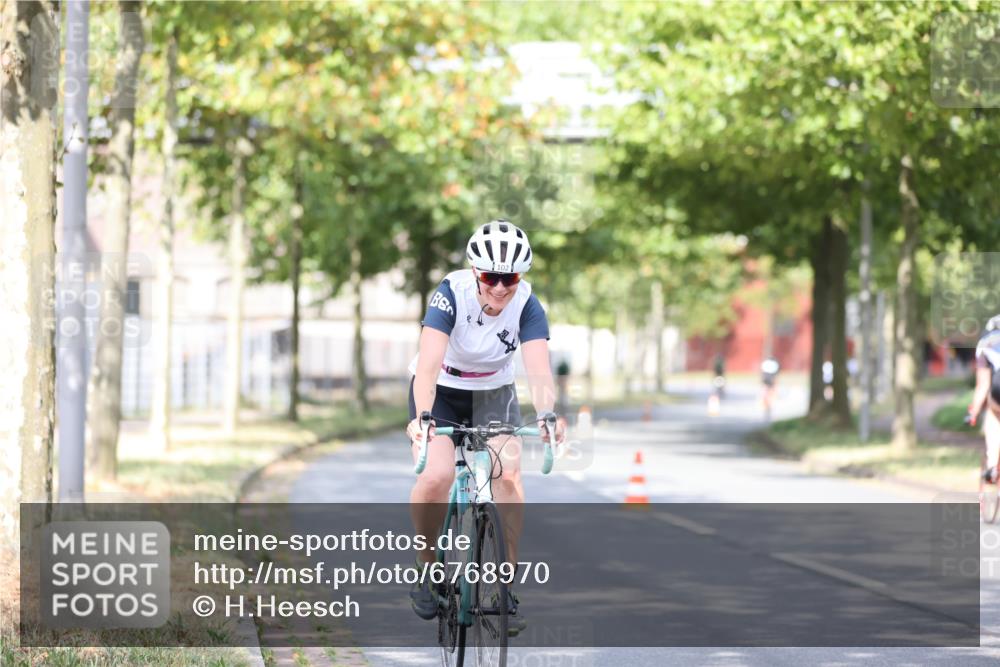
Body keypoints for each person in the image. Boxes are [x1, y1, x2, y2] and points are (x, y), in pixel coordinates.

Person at [405, 219, 567, 634]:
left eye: (509, 278)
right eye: (491, 277)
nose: (499, 287)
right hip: (442, 388)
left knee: (508, 474)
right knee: (437, 475)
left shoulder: (527, 304)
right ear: (475, 271)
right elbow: (427, 367)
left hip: (493, 391)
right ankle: (426, 567)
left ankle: (502, 587)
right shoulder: (450, 295)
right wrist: (422, 419)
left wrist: (547, 414)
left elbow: (538, 370)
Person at [967, 315, 1000, 484]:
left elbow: (983, 385)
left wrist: (973, 412)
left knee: (993, 414)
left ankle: (993, 466)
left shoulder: (985, 343)